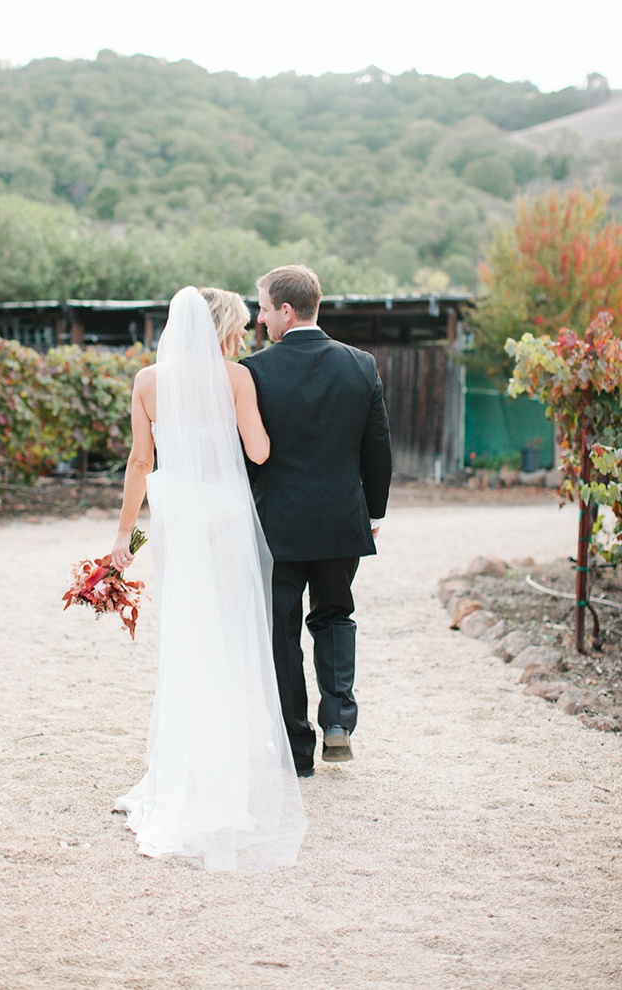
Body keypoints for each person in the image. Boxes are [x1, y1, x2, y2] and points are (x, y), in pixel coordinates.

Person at [108, 286, 305, 871]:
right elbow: (261, 452)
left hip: (176, 518)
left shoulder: (148, 382)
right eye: (240, 325)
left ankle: (179, 773)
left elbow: (143, 465)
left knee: (185, 638)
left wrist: (124, 541)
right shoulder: (237, 378)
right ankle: (221, 779)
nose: (244, 335)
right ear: (221, 327)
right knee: (224, 638)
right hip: (224, 515)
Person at [239, 265, 392, 777]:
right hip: (340, 522)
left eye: (262, 307)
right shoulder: (361, 365)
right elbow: (377, 450)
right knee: (334, 616)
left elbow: (245, 456)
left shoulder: (254, 371)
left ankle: (296, 751)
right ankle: (339, 719)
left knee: (281, 634)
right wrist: (373, 511)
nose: (258, 319)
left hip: (277, 527)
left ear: (286, 310)